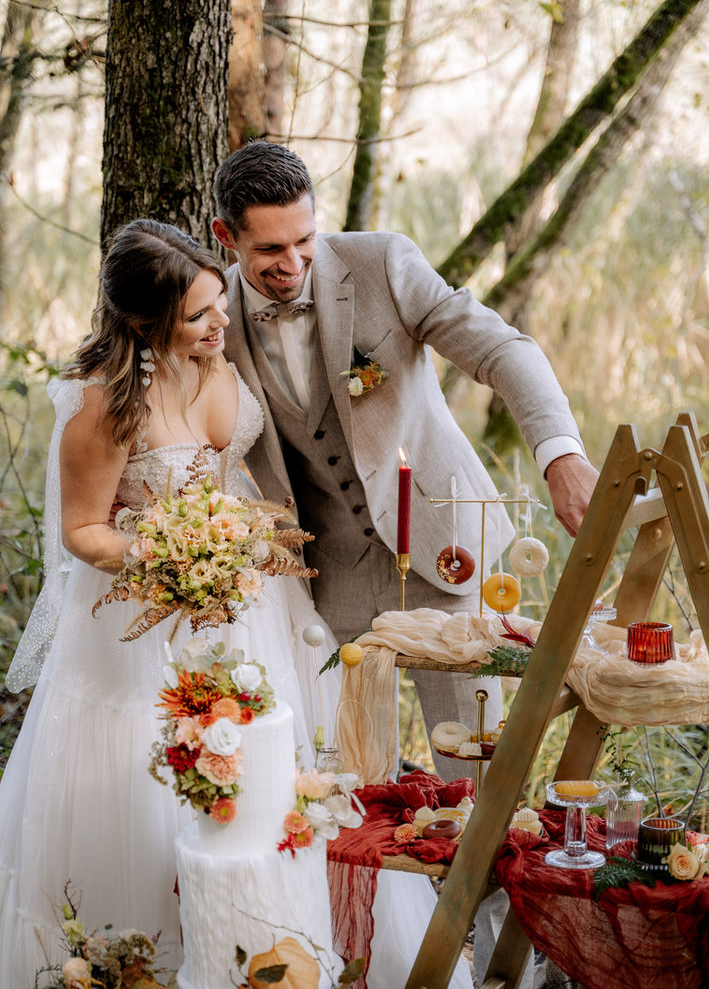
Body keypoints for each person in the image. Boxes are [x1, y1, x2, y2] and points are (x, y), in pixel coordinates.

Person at [0, 219, 474, 989]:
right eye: (199, 314)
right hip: (147, 620)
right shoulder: (103, 404)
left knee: (279, 774)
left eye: (219, 303)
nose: (223, 321)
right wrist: (176, 555)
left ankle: (298, 949)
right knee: (163, 785)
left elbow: (245, 478)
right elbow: (85, 530)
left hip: (256, 604)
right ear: (145, 323)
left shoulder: (220, 362)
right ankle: (155, 959)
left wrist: (247, 543)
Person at [211, 140, 599, 781]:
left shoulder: (382, 262)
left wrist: (561, 456)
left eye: (304, 239)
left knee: (473, 767)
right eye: (270, 250)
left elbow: (503, 349)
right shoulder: (212, 314)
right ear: (227, 235)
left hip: (442, 551)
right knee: (351, 776)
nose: (294, 261)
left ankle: (480, 886)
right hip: (323, 576)